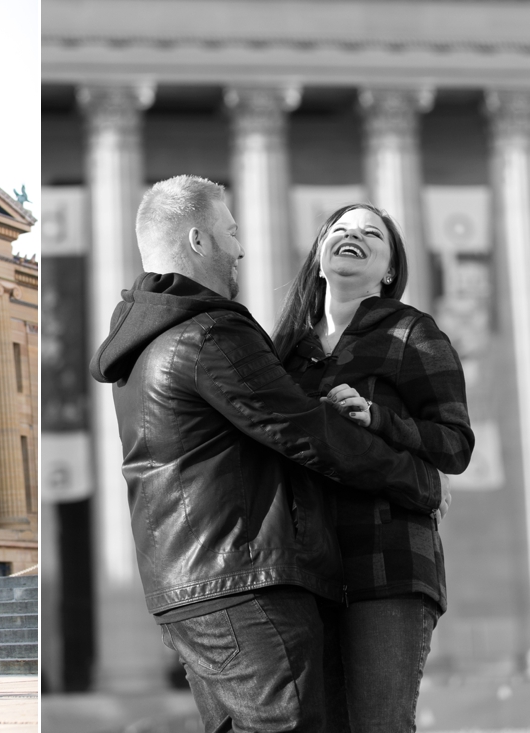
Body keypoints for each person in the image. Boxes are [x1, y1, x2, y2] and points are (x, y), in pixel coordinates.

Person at [89, 175, 447, 732]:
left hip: (190, 586)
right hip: (243, 584)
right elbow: (304, 431)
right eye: (231, 233)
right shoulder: (211, 334)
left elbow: (452, 435)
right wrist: (416, 480)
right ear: (200, 241)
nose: (241, 248)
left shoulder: (144, 346)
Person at [273, 203, 474, 732]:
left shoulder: (412, 332)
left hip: (388, 565)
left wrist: (378, 418)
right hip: (306, 568)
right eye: (340, 230)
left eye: (371, 234)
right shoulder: (287, 351)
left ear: (389, 271)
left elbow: (455, 445)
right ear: (319, 256)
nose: (352, 236)